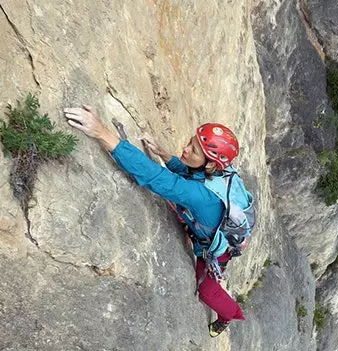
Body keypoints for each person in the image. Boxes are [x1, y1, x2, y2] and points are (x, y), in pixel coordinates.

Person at [63, 105, 244, 337]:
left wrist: (101, 132)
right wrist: (165, 155)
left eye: (194, 150)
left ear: (210, 164)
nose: (185, 149)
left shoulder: (202, 197)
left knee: (207, 292)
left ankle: (229, 315)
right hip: (212, 232)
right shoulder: (214, 171)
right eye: (190, 142)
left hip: (217, 250)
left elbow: (156, 179)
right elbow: (192, 175)